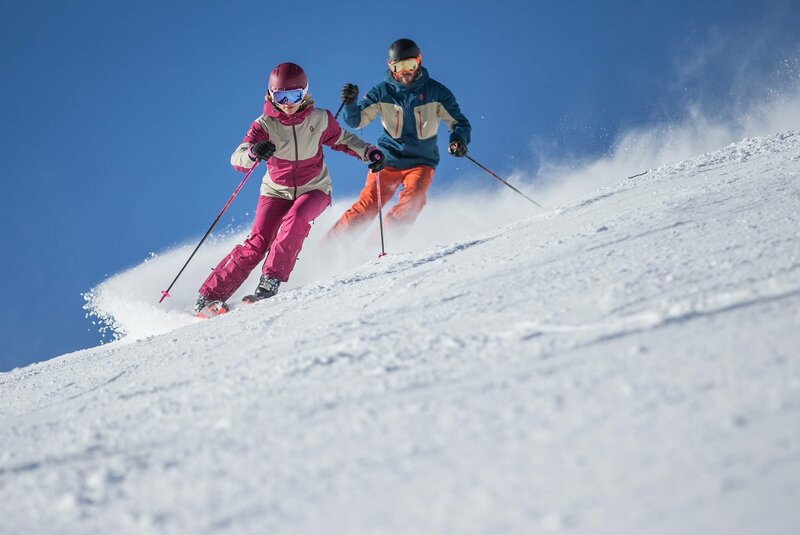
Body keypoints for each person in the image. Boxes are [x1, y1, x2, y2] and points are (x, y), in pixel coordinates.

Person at [194, 62, 385, 318]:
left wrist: (369, 152)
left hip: (314, 188)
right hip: (275, 191)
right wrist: (253, 152)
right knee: (257, 244)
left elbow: (344, 140)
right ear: (270, 95)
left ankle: (269, 282)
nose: (287, 103)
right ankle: (209, 296)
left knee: (296, 219)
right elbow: (237, 159)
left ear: (304, 93)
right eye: (280, 97)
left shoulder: (320, 119)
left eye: (294, 95)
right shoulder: (264, 125)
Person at [324, 38, 471, 240]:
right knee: (368, 204)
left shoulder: (436, 92)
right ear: (390, 66)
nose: (405, 71)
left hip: (421, 162)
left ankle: (378, 247)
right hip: (387, 160)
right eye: (398, 66)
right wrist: (350, 104)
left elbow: (459, 123)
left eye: (410, 64)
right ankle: (331, 246)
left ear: (419, 60)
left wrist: (458, 140)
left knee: (414, 201)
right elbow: (356, 121)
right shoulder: (382, 92)